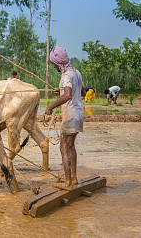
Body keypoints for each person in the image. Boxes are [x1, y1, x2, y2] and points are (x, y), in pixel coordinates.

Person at [45, 46, 86, 190]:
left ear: (59, 62)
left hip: (70, 115)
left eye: (54, 63)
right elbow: (82, 93)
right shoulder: (76, 72)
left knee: (64, 148)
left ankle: (68, 182)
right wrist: (61, 91)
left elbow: (68, 95)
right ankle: (73, 179)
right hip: (79, 113)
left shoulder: (67, 75)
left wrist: (51, 106)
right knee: (71, 147)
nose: (53, 65)